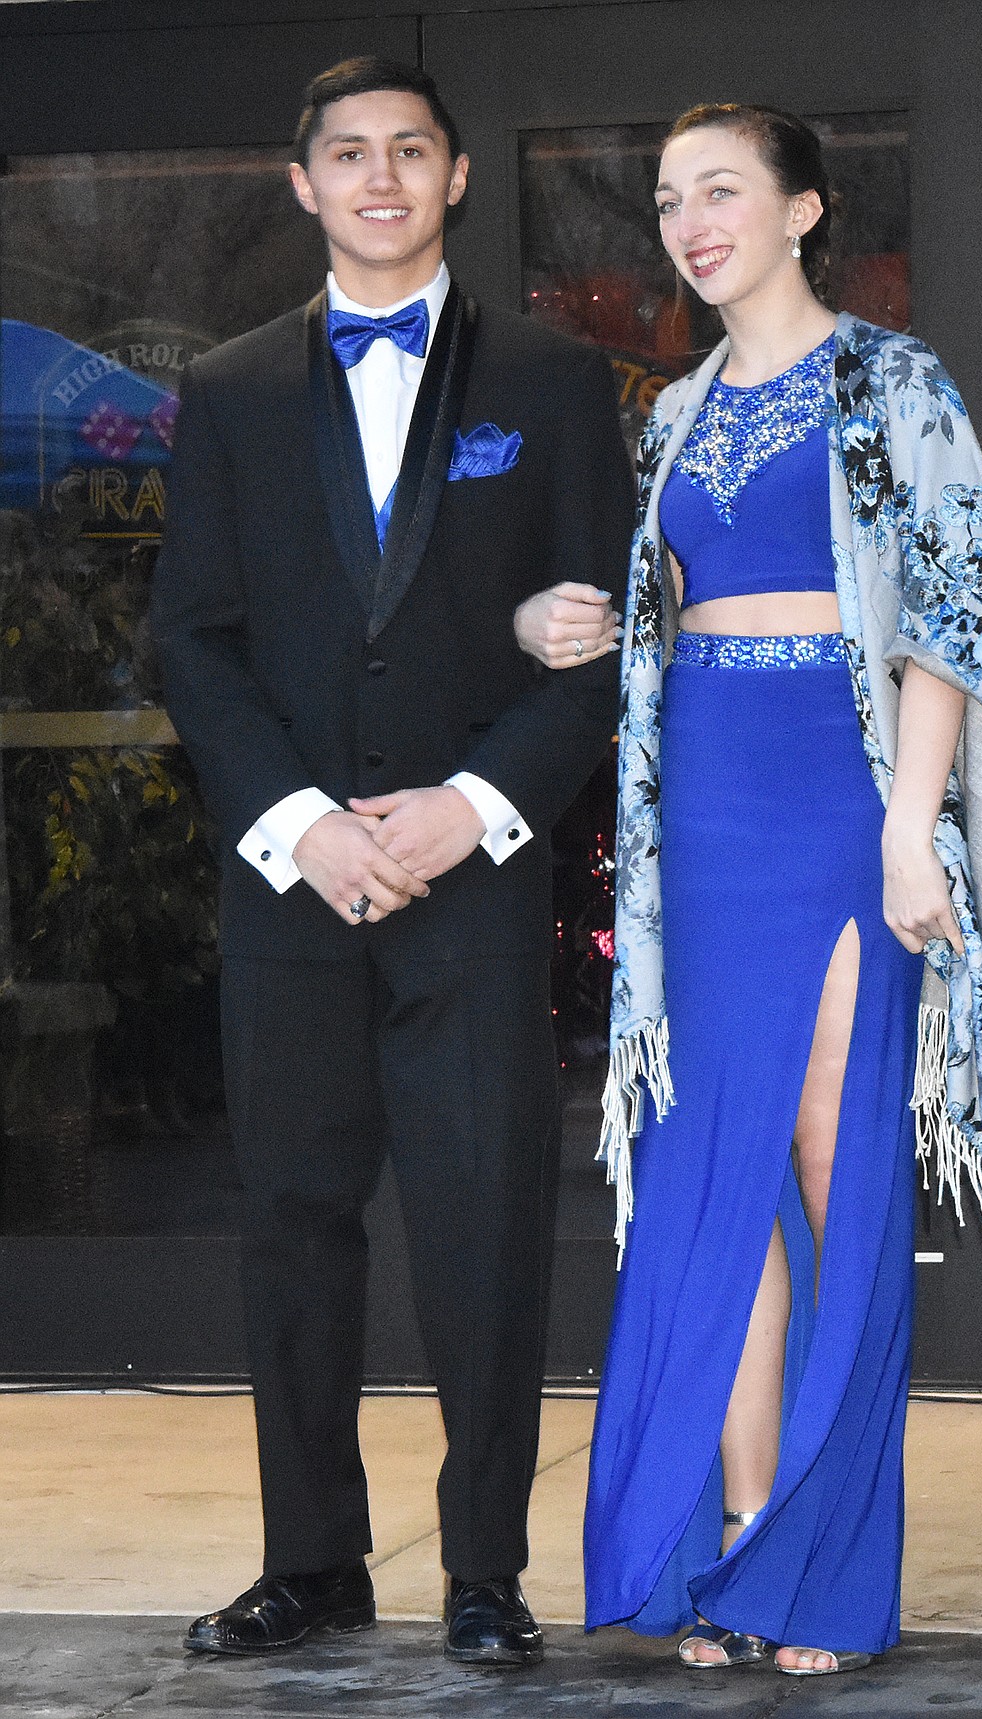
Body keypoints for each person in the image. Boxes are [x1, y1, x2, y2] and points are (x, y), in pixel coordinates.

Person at [517, 105, 982, 1676]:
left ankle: (819, 1571)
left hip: (839, 806)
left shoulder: (892, 382)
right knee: (716, 1180)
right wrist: (570, 628)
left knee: (837, 1158)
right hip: (699, 812)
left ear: (801, 210)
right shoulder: (677, 409)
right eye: (665, 200)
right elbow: (665, 619)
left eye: (720, 192)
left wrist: (912, 827)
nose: (688, 222)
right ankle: (736, 1547)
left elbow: (951, 623)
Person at [150, 55, 632, 1668]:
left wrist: (468, 807)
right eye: (346, 154)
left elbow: (594, 649)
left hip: (473, 886)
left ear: (454, 179)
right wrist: (299, 826)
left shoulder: (558, 384)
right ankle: (313, 1563)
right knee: (294, 1220)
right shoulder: (218, 393)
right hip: (290, 888)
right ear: (301, 185)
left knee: (485, 1225)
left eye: (408, 151)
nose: (378, 177)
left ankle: (484, 1569)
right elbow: (195, 645)